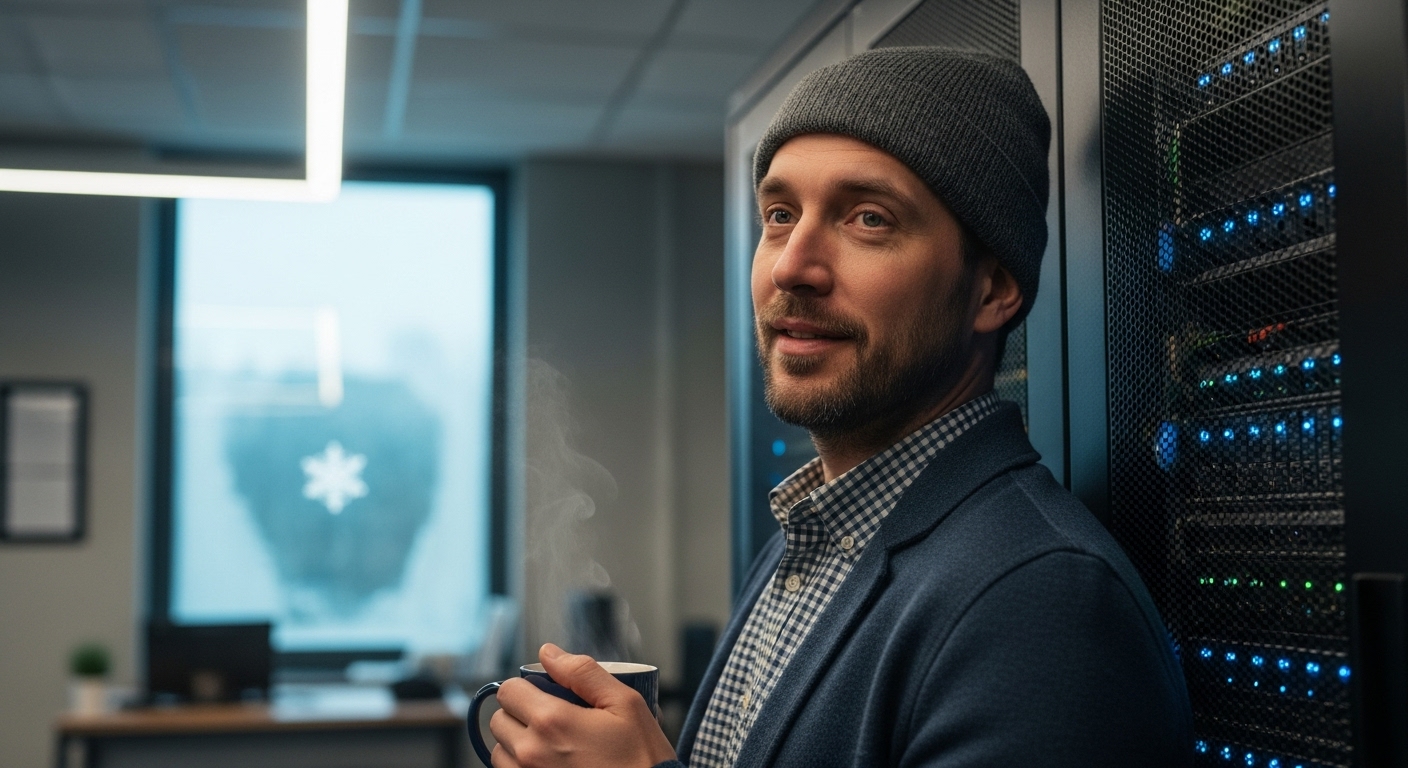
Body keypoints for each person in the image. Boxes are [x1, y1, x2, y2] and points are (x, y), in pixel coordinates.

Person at [487, 47, 1193, 768]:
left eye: (868, 219)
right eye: (781, 213)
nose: (793, 263)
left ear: (992, 290)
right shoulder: (806, 539)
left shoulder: (1045, 601)